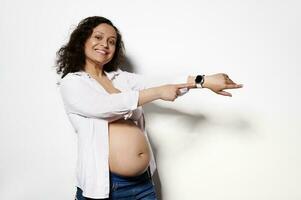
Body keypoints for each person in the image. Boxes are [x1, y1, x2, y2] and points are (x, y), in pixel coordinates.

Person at [55, 16, 243, 200]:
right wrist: (158, 93)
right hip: (107, 188)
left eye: (111, 41)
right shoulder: (72, 83)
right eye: (98, 37)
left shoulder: (120, 78)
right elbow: (105, 107)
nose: (105, 44)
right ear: (82, 41)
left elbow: (161, 81)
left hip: (143, 185)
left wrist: (204, 81)